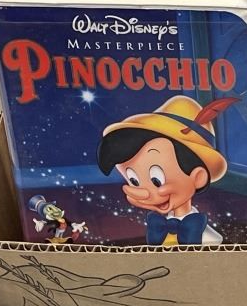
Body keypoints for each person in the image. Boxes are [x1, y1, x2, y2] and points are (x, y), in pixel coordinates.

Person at [98, 95, 237, 246]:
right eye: (134, 181)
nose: (145, 192)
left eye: (156, 180)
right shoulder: (155, 230)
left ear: (198, 178)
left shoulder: (209, 239)